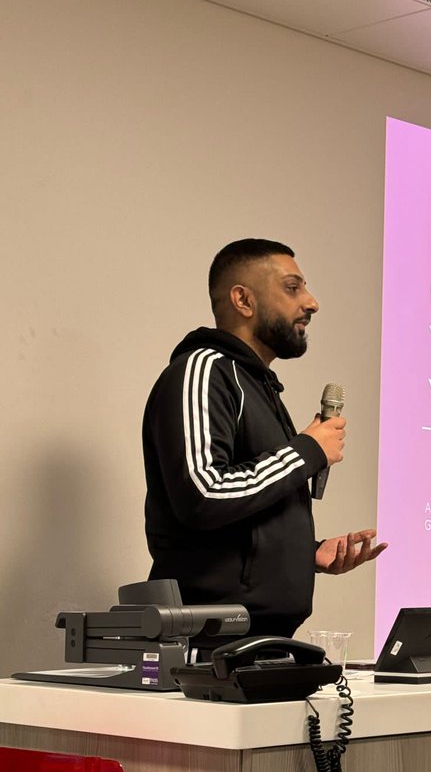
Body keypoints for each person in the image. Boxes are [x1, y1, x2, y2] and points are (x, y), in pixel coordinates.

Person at [142, 237, 385, 641]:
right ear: (243, 300)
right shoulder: (203, 371)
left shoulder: (259, 388)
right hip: (209, 647)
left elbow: (243, 517)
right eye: (293, 288)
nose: (311, 302)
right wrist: (307, 450)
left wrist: (306, 552)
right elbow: (206, 493)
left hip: (264, 642)